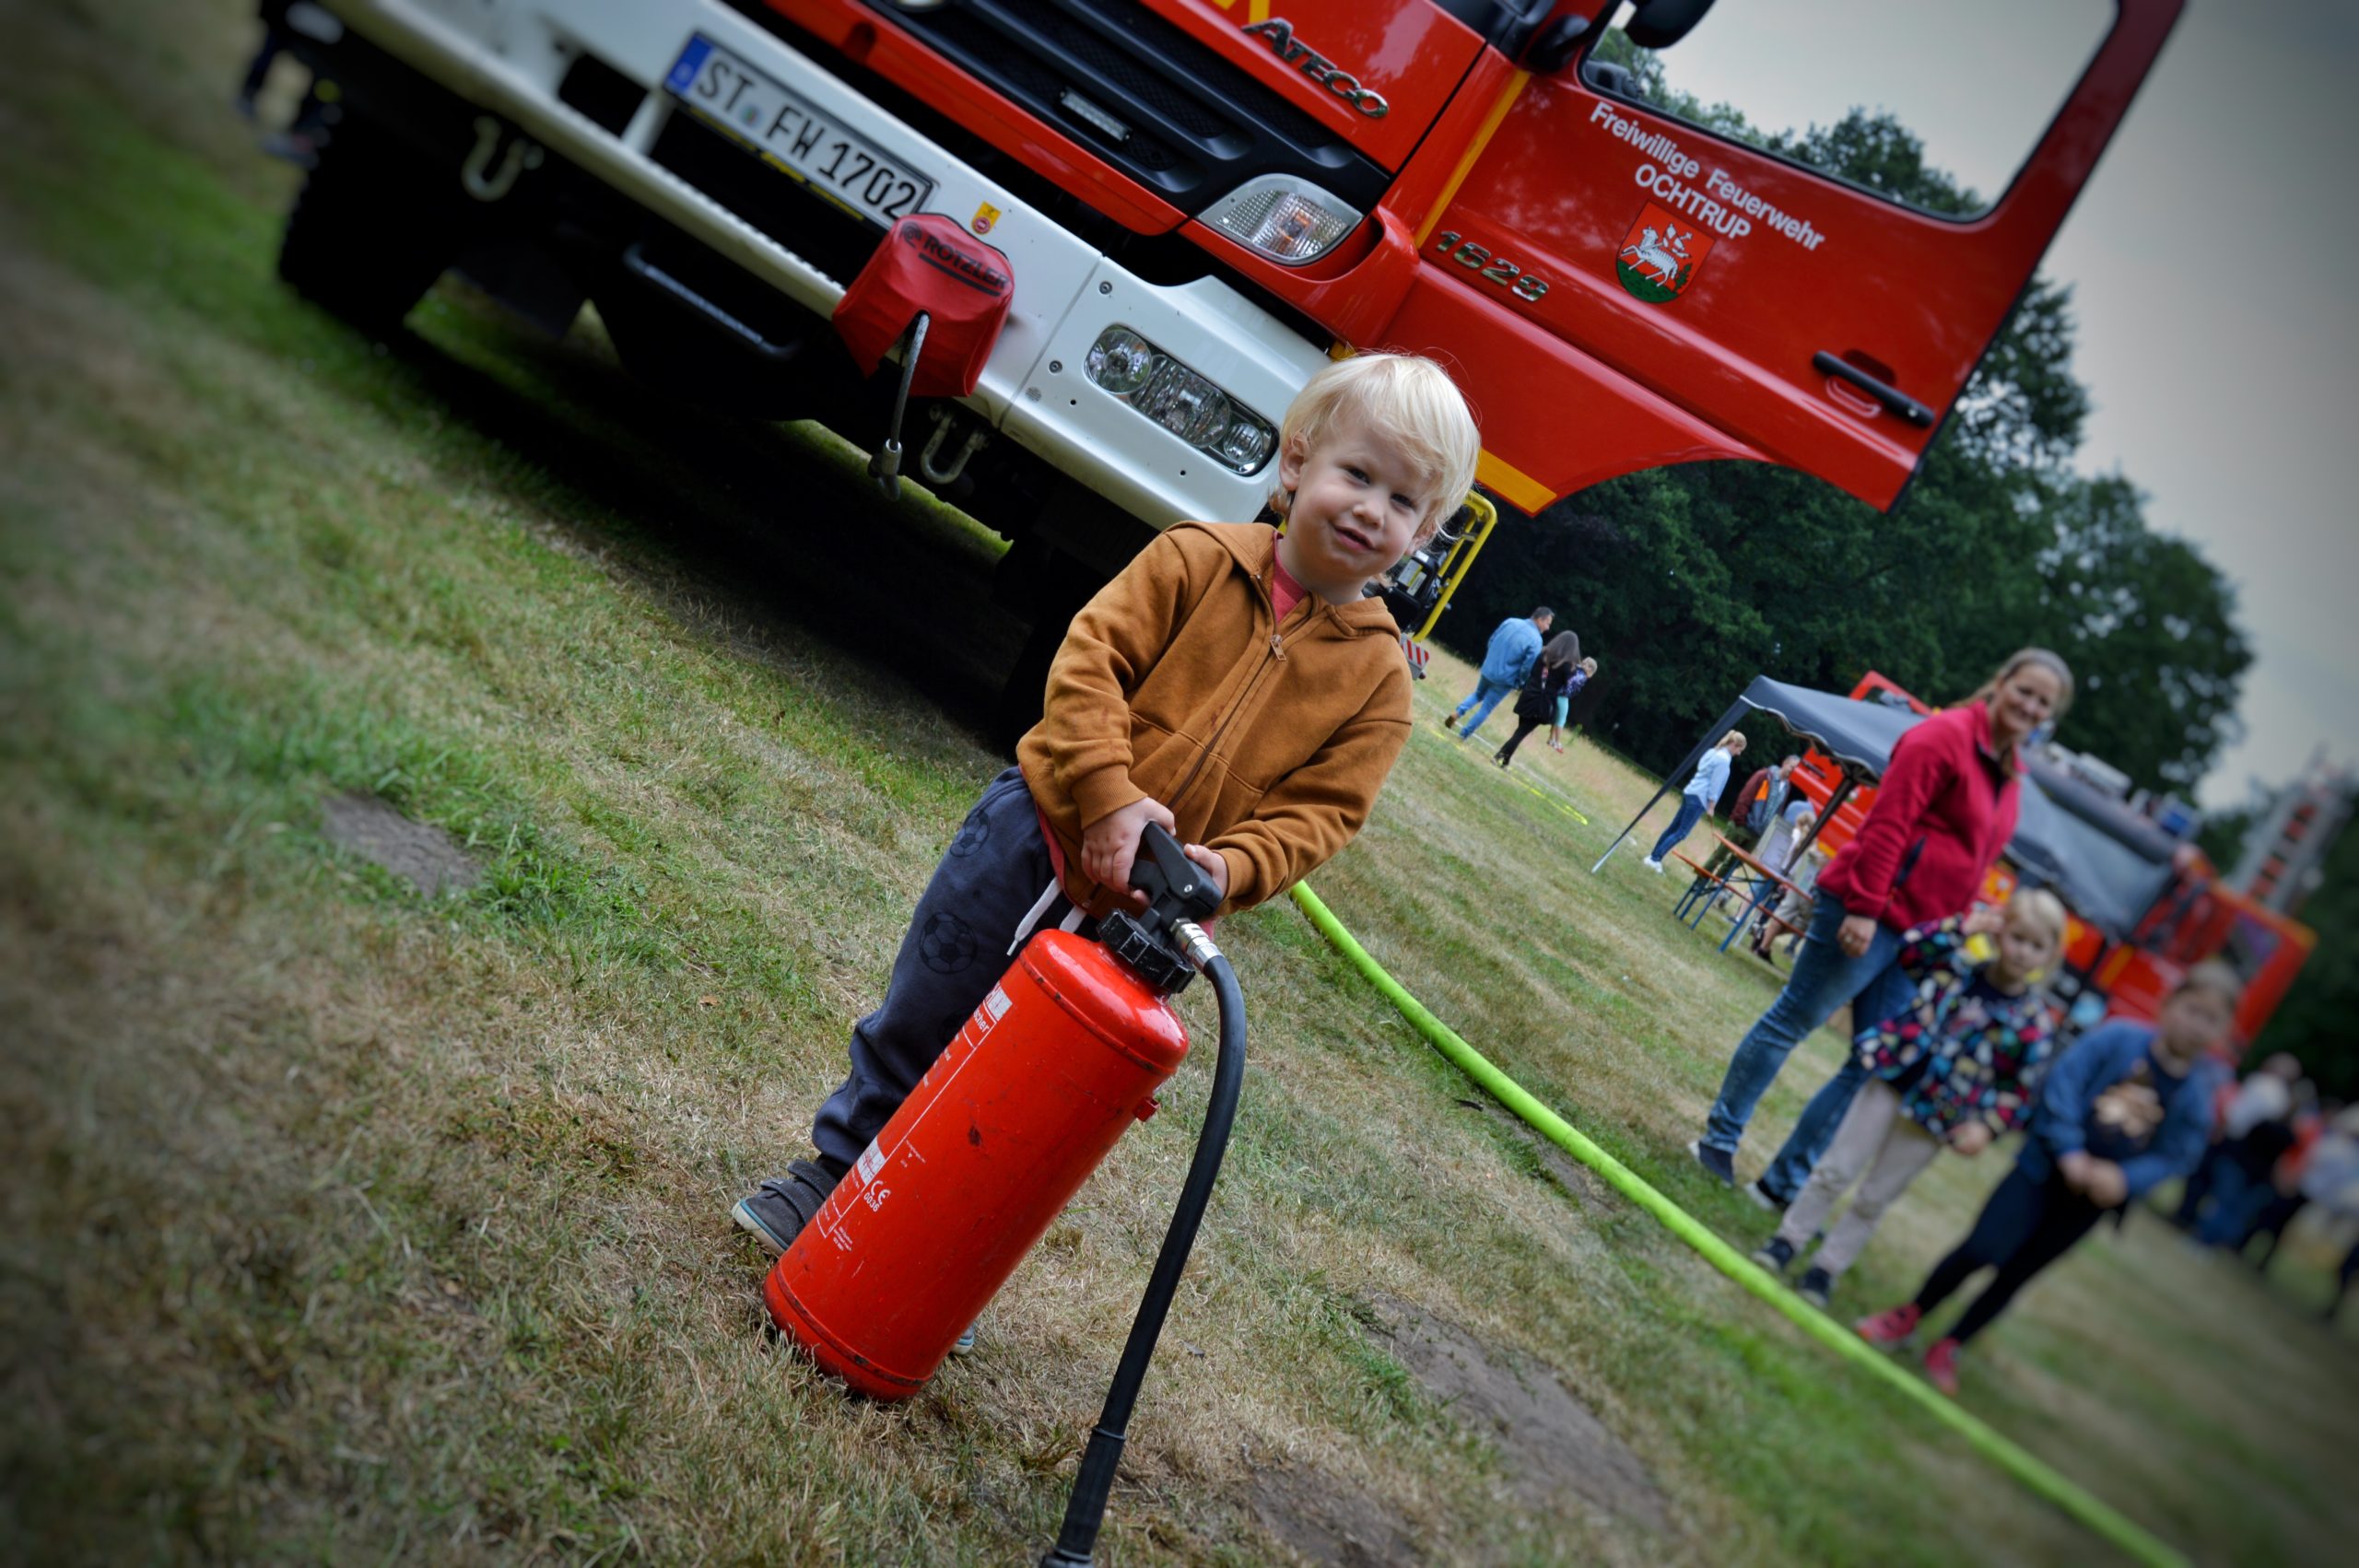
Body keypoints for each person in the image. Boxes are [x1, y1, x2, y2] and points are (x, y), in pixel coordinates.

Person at [729, 352, 1482, 1288]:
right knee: (929, 1014)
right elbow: (1089, 665)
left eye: (1404, 501)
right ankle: (831, 1177)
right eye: (1356, 474)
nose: (1372, 509)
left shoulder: (1376, 683)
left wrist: (1230, 867)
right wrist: (1110, 796)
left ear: (1426, 533)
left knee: (1026, 1091)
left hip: (1138, 927)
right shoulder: (1193, 559)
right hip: (1033, 839)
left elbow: (1320, 816)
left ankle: (915, 1241)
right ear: (1296, 462)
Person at [1687, 649, 2072, 1195]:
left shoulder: (2010, 775)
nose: (2031, 706)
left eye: (2044, 703)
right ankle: (1718, 1142)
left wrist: (1957, 930)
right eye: (2025, 691)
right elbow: (1890, 822)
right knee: (1793, 1020)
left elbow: (1974, 861)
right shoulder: (1945, 737)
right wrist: (1867, 908)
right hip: (1869, 912)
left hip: (1924, 940)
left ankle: (1782, 1184)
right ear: (2002, 682)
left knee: (1873, 1062)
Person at [1856, 962, 2240, 1396]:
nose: (2197, 1025)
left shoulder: (2196, 1101)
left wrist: (2124, 1178)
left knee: (2018, 1273)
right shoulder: (2118, 1040)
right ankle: (1911, 1313)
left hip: (2088, 1204)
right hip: (2040, 1171)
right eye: (2192, 1010)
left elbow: (2176, 1157)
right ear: (2169, 1006)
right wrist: (2070, 1151)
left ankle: (1952, 1344)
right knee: (1982, 1248)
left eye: (2211, 1019)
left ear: (2223, 1032)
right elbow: (2063, 1084)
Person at [1752, 893, 2065, 1310]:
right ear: (1999, 930)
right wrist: (1962, 929)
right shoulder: (1953, 966)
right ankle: (1787, 1241)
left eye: (2036, 945)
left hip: (1937, 1116)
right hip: (1890, 1081)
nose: (2023, 951)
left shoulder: (2033, 1025)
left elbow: (2019, 1090)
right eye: (2017, 937)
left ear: (2049, 956)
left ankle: (1826, 1268)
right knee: (1835, 1169)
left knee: (1874, 1198)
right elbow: (1912, 949)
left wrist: (1987, 1125)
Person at [1640, 731, 1746, 872]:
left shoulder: (1713, 751)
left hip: (1691, 792)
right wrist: (1711, 807)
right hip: (1699, 798)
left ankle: (1654, 856)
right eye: (1739, 750)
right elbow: (1715, 786)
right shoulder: (1724, 760)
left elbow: (1701, 768)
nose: (1738, 754)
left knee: (1674, 828)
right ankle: (1654, 859)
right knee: (1681, 832)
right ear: (1733, 744)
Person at [1445, 607, 1555, 743]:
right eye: (1548, 623)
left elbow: (1492, 640)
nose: (1548, 628)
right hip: (1506, 679)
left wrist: (1491, 659)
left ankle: (1458, 712)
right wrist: (1520, 681)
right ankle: (1463, 734)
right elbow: (1528, 666)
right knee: (1487, 707)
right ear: (1540, 619)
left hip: (1489, 668)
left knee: (1477, 694)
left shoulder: (1510, 621)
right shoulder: (1536, 640)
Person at [1492, 634, 1583, 769]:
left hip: (1529, 695)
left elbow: (1533, 672)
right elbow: (1567, 688)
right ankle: (1499, 756)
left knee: (1520, 731)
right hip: (1543, 703)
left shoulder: (1543, 654)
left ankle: (1505, 762)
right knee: (1521, 732)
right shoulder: (1567, 666)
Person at [1548, 657, 1596, 752]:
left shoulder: (1576, 669)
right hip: (1563, 696)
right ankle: (1557, 743)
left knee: (1557, 717)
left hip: (1559, 694)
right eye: (1593, 671)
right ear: (1590, 668)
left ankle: (1551, 739)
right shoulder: (1582, 675)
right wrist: (1565, 694)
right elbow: (1570, 684)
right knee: (1562, 719)